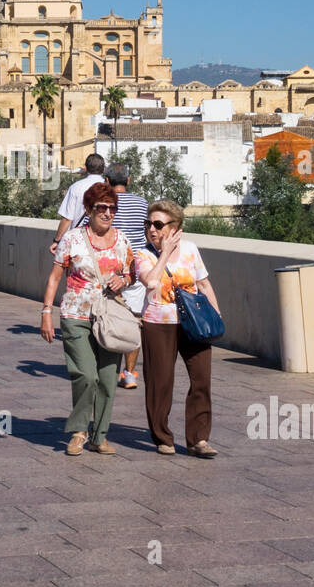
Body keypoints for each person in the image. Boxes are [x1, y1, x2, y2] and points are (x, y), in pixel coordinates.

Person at [40, 182, 134, 456]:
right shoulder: (72, 239)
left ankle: (99, 435)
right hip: (75, 314)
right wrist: (47, 312)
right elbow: (55, 277)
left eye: (111, 208)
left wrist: (123, 280)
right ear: (89, 210)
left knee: (107, 379)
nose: (107, 213)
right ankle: (79, 431)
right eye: (100, 208)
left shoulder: (122, 240)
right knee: (85, 374)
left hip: (109, 317)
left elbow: (131, 274)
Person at [136, 199, 221, 459]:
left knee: (201, 380)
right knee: (160, 382)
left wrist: (216, 316)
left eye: (158, 224)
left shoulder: (191, 250)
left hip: (193, 323)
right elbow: (151, 282)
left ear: (175, 227)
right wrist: (163, 253)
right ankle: (162, 436)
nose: (152, 229)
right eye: (148, 224)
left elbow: (203, 285)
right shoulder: (142, 254)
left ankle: (199, 439)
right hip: (158, 323)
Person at [80, 163, 150, 389]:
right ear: (128, 180)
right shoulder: (142, 203)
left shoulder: (104, 206)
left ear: (106, 182)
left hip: (108, 272)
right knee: (133, 320)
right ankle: (129, 373)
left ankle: (106, 369)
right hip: (136, 269)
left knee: (104, 317)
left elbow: (84, 231)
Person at [50, 153, 106, 255]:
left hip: (79, 241)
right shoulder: (108, 188)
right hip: (104, 241)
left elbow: (67, 218)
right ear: (103, 169)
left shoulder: (76, 187)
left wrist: (57, 241)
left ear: (86, 168)